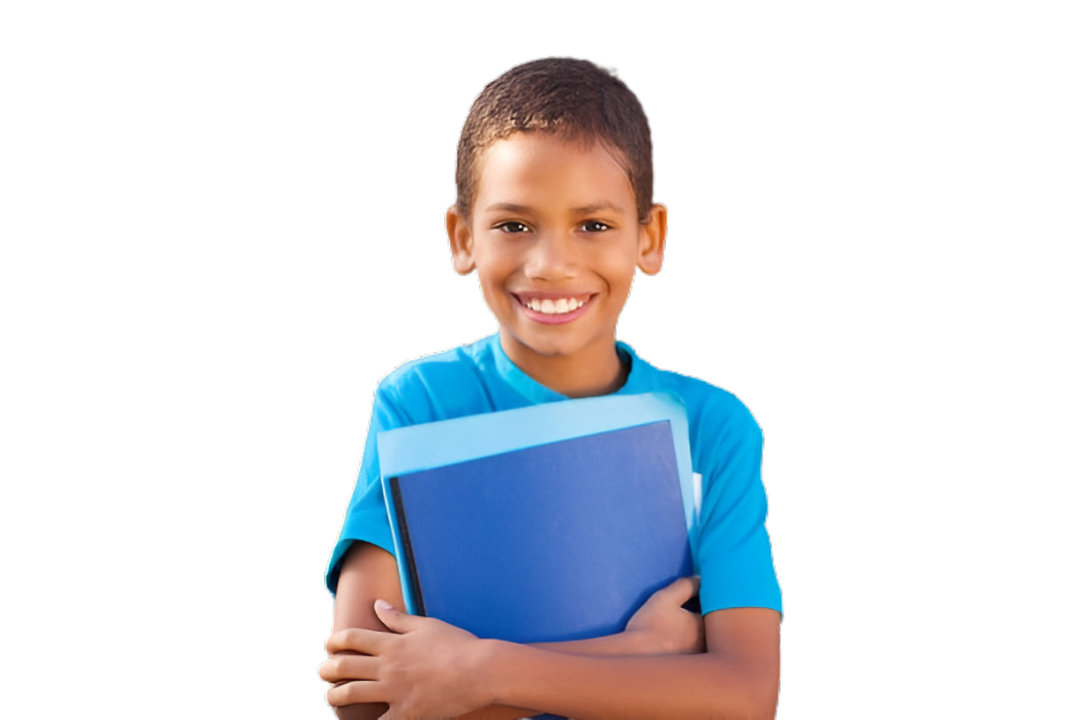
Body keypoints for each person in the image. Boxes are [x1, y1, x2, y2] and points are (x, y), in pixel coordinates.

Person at [317, 56, 783, 719]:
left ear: (649, 240)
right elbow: (364, 694)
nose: (551, 264)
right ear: (461, 238)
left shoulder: (713, 425)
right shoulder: (417, 402)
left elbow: (743, 694)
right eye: (514, 225)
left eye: (593, 225)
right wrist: (643, 653)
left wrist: (480, 671)